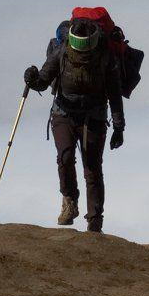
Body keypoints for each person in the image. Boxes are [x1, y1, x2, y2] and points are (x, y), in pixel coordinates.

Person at [23, 15, 125, 233]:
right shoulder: (62, 52)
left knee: (92, 169)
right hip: (65, 113)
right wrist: (33, 80)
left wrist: (119, 127)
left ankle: (95, 223)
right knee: (66, 157)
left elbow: (115, 93)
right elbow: (44, 79)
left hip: (92, 116)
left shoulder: (105, 56)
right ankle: (70, 201)